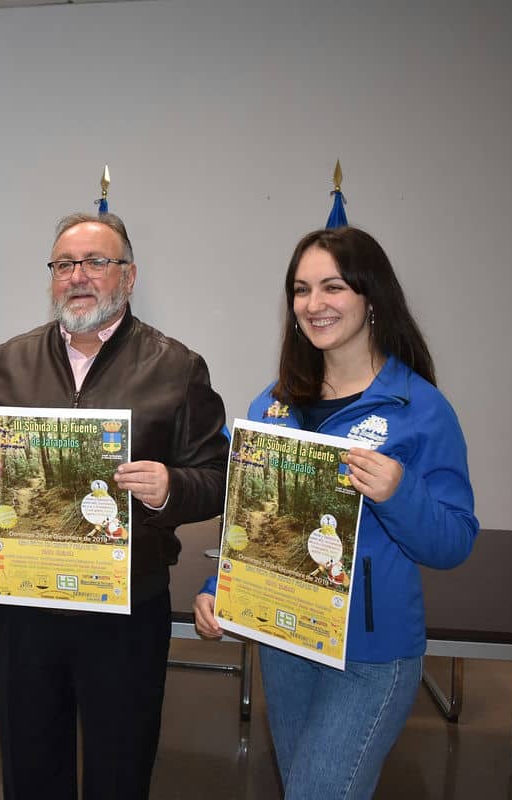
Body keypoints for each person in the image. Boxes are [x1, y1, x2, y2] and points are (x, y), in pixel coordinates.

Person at [0, 212, 228, 800]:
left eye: (96, 262)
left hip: (125, 609)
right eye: (64, 264)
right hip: (24, 607)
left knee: (119, 770)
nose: (78, 276)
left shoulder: (176, 368)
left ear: (128, 276)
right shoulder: (10, 361)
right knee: (29, 769)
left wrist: (170, 485)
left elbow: (218, 475)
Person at [193, 226, 478, 798]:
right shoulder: (271, 404)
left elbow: (454, 542)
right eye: (301, 289)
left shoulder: (420, 408)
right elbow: (250, 522)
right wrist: (215, 585)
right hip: (286, 641)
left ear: (371, 297)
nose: (314, 304)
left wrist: (399, 492)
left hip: (372, 654)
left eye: (333, 287)